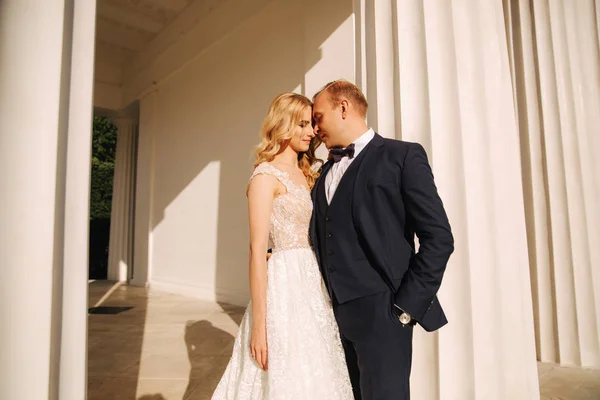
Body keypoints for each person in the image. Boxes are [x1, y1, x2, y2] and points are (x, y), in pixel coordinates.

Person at [310, 80, 454, 400]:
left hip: (384, 313)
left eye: (318, 116)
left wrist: (405, 308)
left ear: (343, 107)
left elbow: (438, 237)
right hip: (332, 315)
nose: (314, 126)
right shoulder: (322, 172)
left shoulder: (401, 156)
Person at [212, 93, 353, 400]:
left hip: (314, 284)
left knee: (319, 364)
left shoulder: (309, 174)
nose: (311, 131)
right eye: (303, 124)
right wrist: (260, 326)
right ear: (283, 124)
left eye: (312, 124)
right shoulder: (264, 177)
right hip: (284, 284)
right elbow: (257, 251)